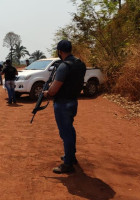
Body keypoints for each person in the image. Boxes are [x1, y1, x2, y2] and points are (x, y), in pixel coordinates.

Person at [43, 40, 86, 174]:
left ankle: (68, 164)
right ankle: (70, 156)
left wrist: (47, 93)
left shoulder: (64, 66)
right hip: (73, 101)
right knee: (70, 130)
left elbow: (54, 90)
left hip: (62, 103)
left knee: (65, 133)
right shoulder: (80, 64)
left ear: (60, 51)